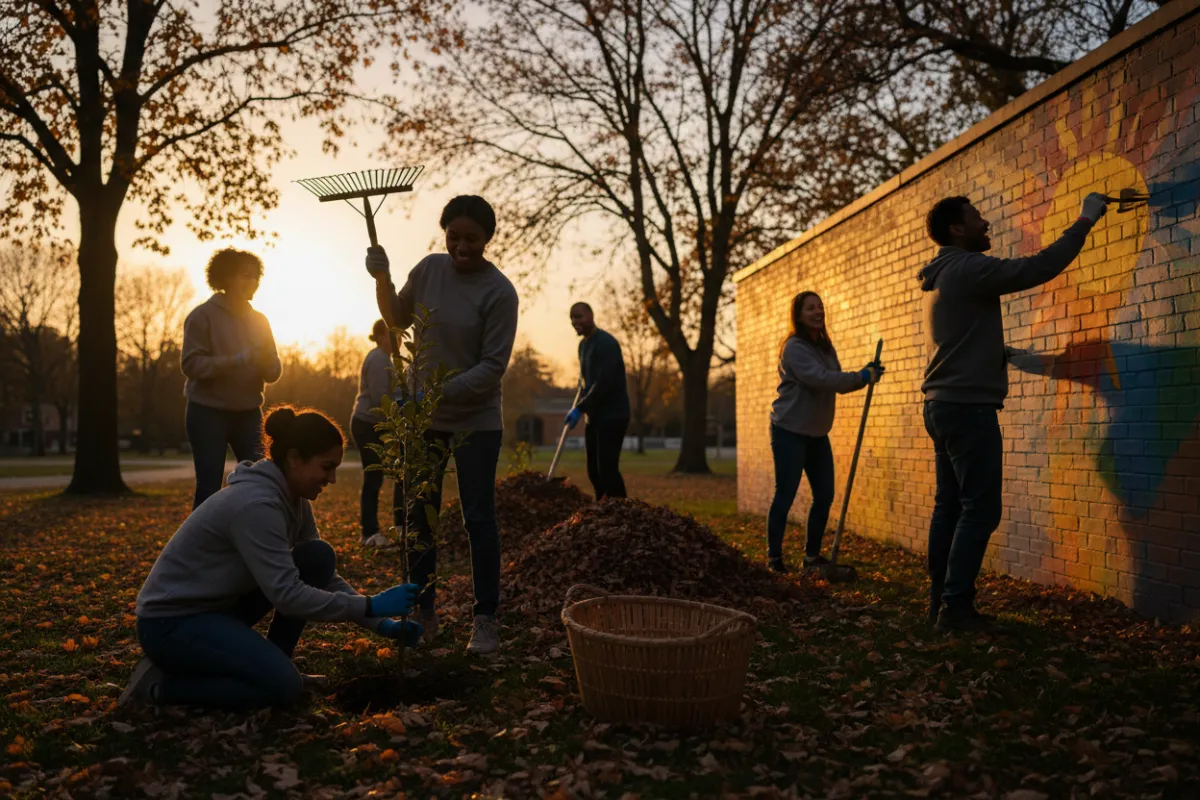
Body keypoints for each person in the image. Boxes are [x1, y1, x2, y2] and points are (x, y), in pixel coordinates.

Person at [119, 406, 423, 710]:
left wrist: (381, 624)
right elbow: (288, 596)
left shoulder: (294, 498)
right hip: (170, 624)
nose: (332, 479)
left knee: (317, 556)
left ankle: (272, 665)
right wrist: (370, 603)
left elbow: (319, 575)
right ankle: (160, 687)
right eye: (326, 467)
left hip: (217, 610)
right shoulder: (256, 506)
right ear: (294, 458)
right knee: (283, 688)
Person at [919, 192, 1110, 633]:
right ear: (956, 229)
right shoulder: (967, 268)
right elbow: (1037, 267)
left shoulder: (942, 274)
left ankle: (940, 605)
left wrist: (993, 351)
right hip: (967, 408)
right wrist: (1085, 219)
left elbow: (961, 336)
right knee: (980, 509)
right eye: (977, 218)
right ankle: (956, 610)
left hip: (942, 404)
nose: (986, 223)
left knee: (949, 506)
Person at [366, 195, 519, 656]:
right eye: (454, 236)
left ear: (488, 238)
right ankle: (422, 611)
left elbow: (492, 367)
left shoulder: (500, 292)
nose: (461, 246)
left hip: (476, 420)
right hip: (424, 418)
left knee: (478, 518)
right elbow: (396, 318)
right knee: (419, 517)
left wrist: (433, 392)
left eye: (472, 238)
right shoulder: (430, 269)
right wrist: (382, 278)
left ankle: (485, 619)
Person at [767, 291, 883, 574]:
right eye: (810, 308)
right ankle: (774, 560)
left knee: (825, 495)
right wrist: (862, 376)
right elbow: (819, 379)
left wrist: (864, 374)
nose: (818, 312)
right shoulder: (794, 347)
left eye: (820, 307)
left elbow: (835, 379)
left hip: (817, 434)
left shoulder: (824, 346)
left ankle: (811, 558)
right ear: (798, 315)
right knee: (786, 494)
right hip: (789, 431)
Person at [181, 248, 282, 509]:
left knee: (262, 480)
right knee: (209, 487)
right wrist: (238, 360)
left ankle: (256, 538)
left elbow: (274, 371)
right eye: (245, 276)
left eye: (256, 276)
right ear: (225, 278)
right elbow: (191, 364)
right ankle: (202, 549)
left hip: (249, 412)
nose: (253, 282)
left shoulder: (260, 320)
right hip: (207, 412)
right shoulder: (202, 316)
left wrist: (267, 363)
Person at [566, 302, 631, 501]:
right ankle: (602, 513)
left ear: (591, 316)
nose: (575, 321)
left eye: (579, 316)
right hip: (594, 417)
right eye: (572, 318)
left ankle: (622, 513)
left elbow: (604, 384)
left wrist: (580, 408)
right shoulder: (583, 346)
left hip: (613, 415)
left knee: (607, 469)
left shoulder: (606, 344)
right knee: (593, 471)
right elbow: (588, 382)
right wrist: (582, 400)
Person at [351, 319, 395, 549]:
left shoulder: (386, 359)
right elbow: (381, 399)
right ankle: (369, 533)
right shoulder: (379, 359)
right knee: (373, 478)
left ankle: (371, 531)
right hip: (366, 423)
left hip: (372, 424)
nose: (396, 338)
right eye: (391, 333)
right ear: (379, 336)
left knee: (376, 477)